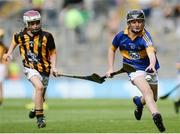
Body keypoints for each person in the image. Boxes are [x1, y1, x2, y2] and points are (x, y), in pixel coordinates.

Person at [106, 9, 166, 132]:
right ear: (129, 23)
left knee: (153, 98)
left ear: (143, 22)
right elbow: (112, 50)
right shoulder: (120, 36)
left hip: (149, 68)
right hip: (132, 68)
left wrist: (152, 65)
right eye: (133, 22)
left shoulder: (145, 37)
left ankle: (139, 102)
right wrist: (111, 68)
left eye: (139, 21)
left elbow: (151, 52)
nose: (137, 24)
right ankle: (156, 115)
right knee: (148, 92)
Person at [3, 10, 59, 128]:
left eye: (37, 22)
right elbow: (14, 41)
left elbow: (53, 52)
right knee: (39, 87)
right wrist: (8, 53)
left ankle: (35, 108)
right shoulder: (21, 36)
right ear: (26, 24)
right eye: (32, 23)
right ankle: (40, 118)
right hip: (30, 68)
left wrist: (54, 67)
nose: (35, 25)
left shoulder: (47, 36)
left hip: (45, 69)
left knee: (41, 96)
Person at [0, 28, 8, 106]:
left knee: (0, 83)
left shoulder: (4, 47)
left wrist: (5, 69)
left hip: (1, 66)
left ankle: (1, 99)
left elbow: (5, 60)